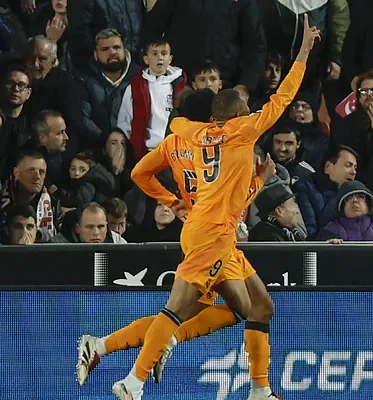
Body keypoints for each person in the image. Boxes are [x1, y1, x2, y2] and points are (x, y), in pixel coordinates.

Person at [108, 15, 317, 400]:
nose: (251, 111)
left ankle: (259, 389)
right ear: (237, 114)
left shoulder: (191, 132)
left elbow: (177, 128)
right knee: (176, 309)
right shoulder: (242, 131)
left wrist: (250, 181)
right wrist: (302, 52)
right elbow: (282, 98)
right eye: (246, 107)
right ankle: (133, 380)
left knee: (259, 306)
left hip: (210, 225)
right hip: (214, 233)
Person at [76, 120, 278, 389]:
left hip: (208, 235)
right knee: (187, 312)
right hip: (213, 237)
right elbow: (235, 200)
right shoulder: (217, 145)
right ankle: (130, 371)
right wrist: (260, 179)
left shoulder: (174, 144)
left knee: (248, 307)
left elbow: (139, 174)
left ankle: (104, 347)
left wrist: (172, 201)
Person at [117, 39, 188, 158]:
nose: (160, 57)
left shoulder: (181, 87)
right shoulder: (135, 88)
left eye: (164, 53)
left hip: (177, 151)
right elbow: (124, 120)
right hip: (148, 151)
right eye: (155, 54)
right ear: (146, 59)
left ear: (170, 59)